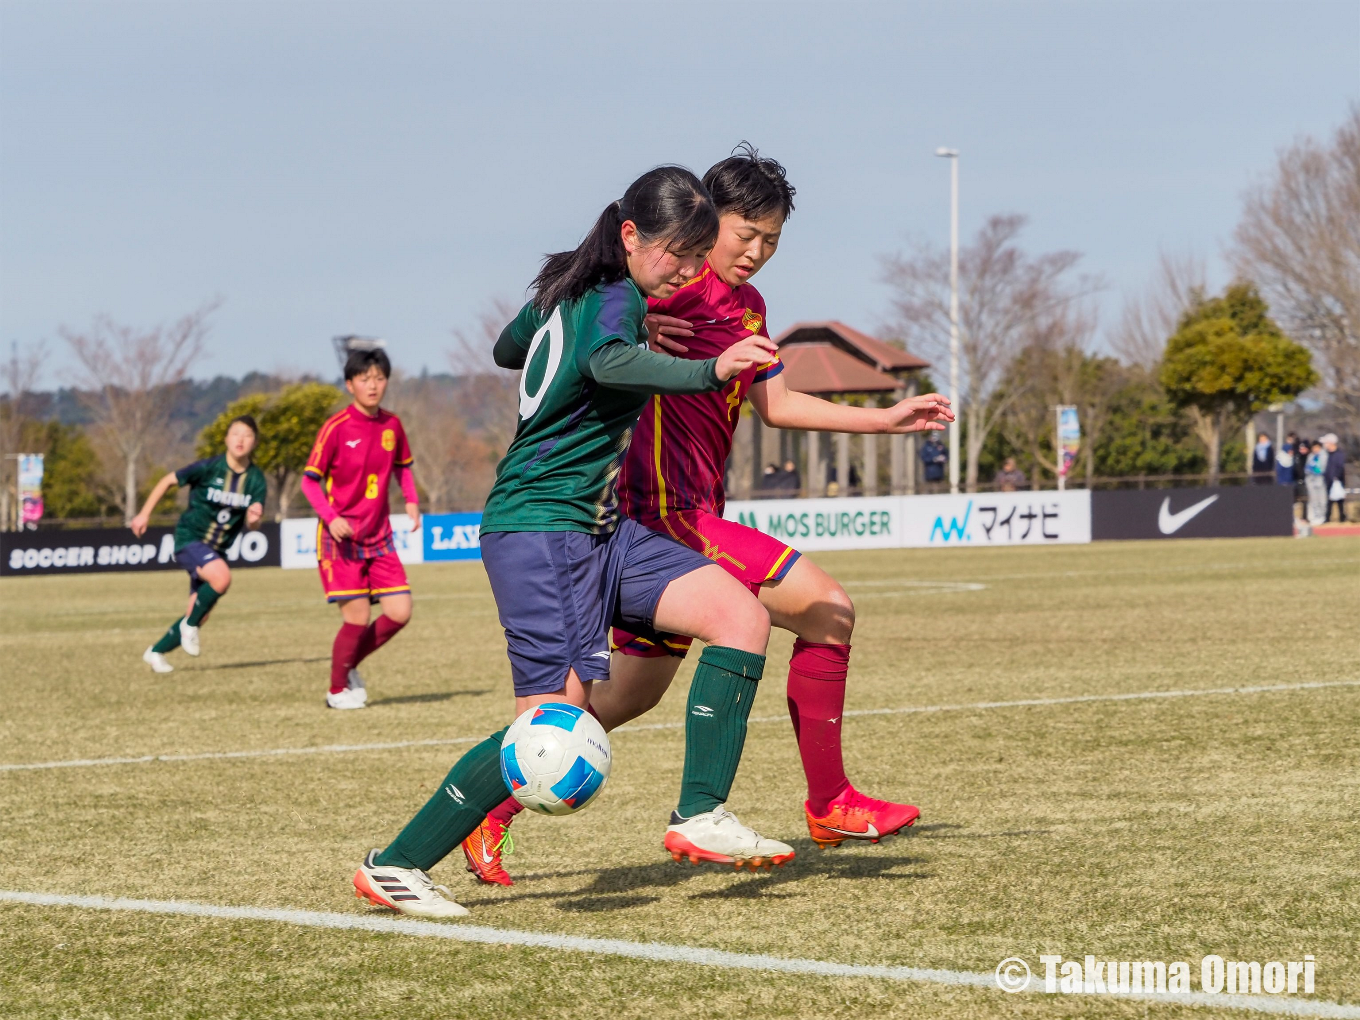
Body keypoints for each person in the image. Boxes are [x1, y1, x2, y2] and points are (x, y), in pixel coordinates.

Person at [459, 146, 952, 887]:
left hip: (681, 523)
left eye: (772, 241)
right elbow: (569, 340)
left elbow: (777, 406)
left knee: (608, 704)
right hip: (661, 520)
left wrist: (887, 419)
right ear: (702, 222)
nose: (755, 253)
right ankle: (827, 803)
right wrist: (635, 334)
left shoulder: (749, 308)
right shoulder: (649, 293)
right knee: (829, 612)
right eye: (743, 233)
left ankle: (487, 813)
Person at [353, 166, 793, 919]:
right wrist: (709, 367)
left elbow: (507, 345)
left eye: (696, 255)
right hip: (541, 531)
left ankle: (699, 815)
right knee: (549, 732)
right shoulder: (614, 298)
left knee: (739, 615)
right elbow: (606, 362)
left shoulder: (581, 289)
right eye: (676, 255)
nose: (687, 270)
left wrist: (600, 322)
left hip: (600, 528)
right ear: (630, 235)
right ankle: (395, 865)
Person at [299, 349, 420, 710]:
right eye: (365, 379)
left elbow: (404, 467)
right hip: (341, 541)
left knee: (400, 611)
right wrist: (330, 516)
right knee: (357, 618)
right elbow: (309, 482)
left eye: (379, 378)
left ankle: (348, 664)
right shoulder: (335, 428)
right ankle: (336, 691)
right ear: (350, 384)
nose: (373, 385)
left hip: (379, 537)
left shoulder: (392, 425)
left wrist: (411, 501)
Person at [133, 416, 267, 673]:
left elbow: (253, 525)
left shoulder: (256, 479)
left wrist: (254, 519)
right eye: (235, 433)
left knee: (199, 613)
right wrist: (144, 513)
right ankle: (188, 627)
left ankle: (156, 652)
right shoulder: (210, 468)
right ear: (226, 439)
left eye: (247, 435)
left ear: (255, 442)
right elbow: (168, 480)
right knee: (222, 579)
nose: (240, 439)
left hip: (216, 550)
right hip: (189, 539)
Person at [1321, 433, 1347, 522]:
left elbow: (1340, 467)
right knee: (1329, 501)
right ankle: (1327, 518)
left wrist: (1336, 477)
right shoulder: (1326, 454)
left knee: (1339, 500)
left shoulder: (1339, 454)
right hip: (1328, 480)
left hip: (1337, 481)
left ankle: (1342, 518)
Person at [1304, 440, 1329, 525]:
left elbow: (1322, 469)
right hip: (1311, 481)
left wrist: (1315, 470)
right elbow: (1307, 468)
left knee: (1321, 500)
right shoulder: (1311, 456)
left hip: (1320, 481)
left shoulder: (1324, 456)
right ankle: (1315, 516)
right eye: (1313, 448)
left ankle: (1322, 516)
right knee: (1313, 500)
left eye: (1317, 447)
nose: (1315, 449)